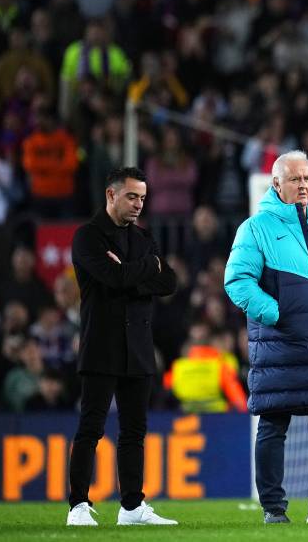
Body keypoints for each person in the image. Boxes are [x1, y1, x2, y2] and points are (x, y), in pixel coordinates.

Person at [224, 150, 308, 524]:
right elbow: (237, 281)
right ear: (276, 183)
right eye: (295, 179)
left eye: (306, 179)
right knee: (274, 423)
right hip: (281, 344)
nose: (302, 185)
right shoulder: (256, 228)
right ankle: (273, 508)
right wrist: (276, 313)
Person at [66, 167, 178, 527]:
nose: (138, 204)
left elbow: (169, 282)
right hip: (102, 345)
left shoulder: (143, 238)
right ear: (111, 195)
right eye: (132, 196)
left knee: (134, 432)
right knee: (91, 428)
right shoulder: (87, 237)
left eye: (143, 198)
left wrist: (134, 273)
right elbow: (112, 278)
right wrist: (147, 269)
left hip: (139, 348)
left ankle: (131, 506)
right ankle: (78, 506)